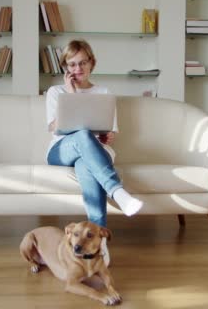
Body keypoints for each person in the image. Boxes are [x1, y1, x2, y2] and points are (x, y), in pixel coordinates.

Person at [45, 40, 144, 264]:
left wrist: (108, 136)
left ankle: (101, 246)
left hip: (94, 151)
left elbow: (111, 130)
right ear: (65, 68)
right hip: (61, 150)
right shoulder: (56, 91)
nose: (77, 69)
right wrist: (70, 94)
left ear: (92, 63)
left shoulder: (104, 92)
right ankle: (118, 192)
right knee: (81, 134)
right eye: (71, 65)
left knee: (86, 166)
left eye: (82, 63)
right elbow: (55, 127)